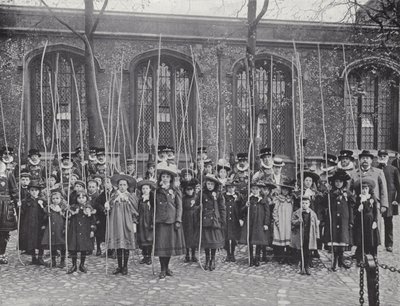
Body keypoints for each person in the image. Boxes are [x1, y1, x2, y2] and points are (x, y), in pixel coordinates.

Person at [154, 163, 186, 279]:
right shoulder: (156, 191)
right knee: (161, 247)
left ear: (171, 178)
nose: (165, 179)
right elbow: (153, 206)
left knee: (168, 247)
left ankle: (167, 267)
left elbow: (179, 206)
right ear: (160, 178)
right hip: (160, 221)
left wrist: (178, 219)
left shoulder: (175, 190)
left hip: (171, 221)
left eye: (167, 177)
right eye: (163, 176)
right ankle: (162, 268)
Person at [105, 174, 138, 275]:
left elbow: (135, 209)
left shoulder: (131, 196)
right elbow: (109, 207)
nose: (122, 187)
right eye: (120, 185)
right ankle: (119, 266)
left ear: (127, 186)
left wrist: (134, 221)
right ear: (117, 186)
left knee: (126, 245)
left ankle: (125, 266)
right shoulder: (114, 195)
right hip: (116, 222)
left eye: (124, 185)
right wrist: (108, 205)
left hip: (127, 221)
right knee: (119, 246)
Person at [323, 169, 354, 271]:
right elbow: (325, 206)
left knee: (342, 240)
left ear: (343, 183)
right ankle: (334, 261)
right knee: (334, 240)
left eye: (340, 182)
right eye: (336, 181)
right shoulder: (330, 194)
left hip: (344, 220)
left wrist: (351, 221)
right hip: (333, 220)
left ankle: (341, 260)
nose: (338, 183)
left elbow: (351, 208)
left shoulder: (348, 194)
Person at [240, 181, 271, 267]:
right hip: (250, 222)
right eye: (253, 189)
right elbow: (242, 211)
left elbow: (267, 212)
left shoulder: (263, 199)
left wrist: (266, 223)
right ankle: (250, 258)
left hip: (259, 222)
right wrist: (246, 206)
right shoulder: (248, 198)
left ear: (260, 189)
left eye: (256, 189)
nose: (254, 190)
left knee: (258, 241)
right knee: (250, 240)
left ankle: (257, 258)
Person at [198, 173, 226, 271]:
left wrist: (222, 220)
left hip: (214, 220)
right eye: (208, 184)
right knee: (206, 241)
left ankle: (213, 259)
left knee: (213, 241)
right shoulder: (202, 194)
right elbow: (197, 205)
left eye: (211, 184)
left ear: (215, 185)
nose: (209, 186)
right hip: (205, 220)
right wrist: (199, 208)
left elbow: (222, 208)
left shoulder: (219, 194)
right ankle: (207, 258)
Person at [67, 190, 96, 274]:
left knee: (84, 248)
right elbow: (67, 217)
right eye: (79, 197)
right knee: (74, 248)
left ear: (86, 198)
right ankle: (74, 265)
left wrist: (92, 230)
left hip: (85, 229)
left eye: (83, 197)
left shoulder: (89, 208)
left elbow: (92, 220)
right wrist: (71, 213)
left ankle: (82, 265)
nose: (81, 199)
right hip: (74, 229)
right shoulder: (73, 207)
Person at [376, 150, 400, 252]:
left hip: (390, 200)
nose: (382, 157)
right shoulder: (374, 169)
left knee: (388, 222)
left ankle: (389, 244)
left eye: (384, 155)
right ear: (377, 157)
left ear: (388, 157)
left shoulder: (393, 169)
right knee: (375, 221)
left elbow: (398, 186)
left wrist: (397, 200)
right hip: (377, 198)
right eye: (380, 156)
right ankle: (375, 242)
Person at [18, 181, 46, 265]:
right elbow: (22, 213)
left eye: (36, 190)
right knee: (31, 241)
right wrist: (19, 206)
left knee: (40, 240)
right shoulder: (25, 201)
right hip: (29, 224)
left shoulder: (42, 201)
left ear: (39, 191)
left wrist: (42, 206)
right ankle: (34, 258)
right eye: (32, 190)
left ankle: (40, 258)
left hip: (39, 224)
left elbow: (46, 212)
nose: (34, 192)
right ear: (29, 191)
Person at [353, 178, 380, 265]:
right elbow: (354, 211)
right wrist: (358, 209)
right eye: (362, 188)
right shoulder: (358, 198)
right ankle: (360, 257)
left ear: (369, 189)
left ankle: (373, 255)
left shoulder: (372, 198)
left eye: (366, 189)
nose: (364, 190)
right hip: (360, 221)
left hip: (370, 221)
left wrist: (375, 221)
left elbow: (375, 211)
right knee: (361, 238)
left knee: (371, 238)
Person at [291, 196, 320, 275]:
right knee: (301, 251)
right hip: (300, 236)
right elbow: (292, 222)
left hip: (309, 236)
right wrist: (298, 221)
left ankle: (307, 266)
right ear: (300, 203)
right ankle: (301, 267)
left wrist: (317, 235)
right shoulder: (297, 213)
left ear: (309, 204)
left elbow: (316, 226)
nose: (304, 205)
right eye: (303, 203)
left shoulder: (313, 214)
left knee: (308, 252)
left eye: (306, 203)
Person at [41, 191, 67, 268]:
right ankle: (53, 260)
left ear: (61, 199)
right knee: (52, 244)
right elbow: (44, 218)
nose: (55, 200)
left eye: (57, 198)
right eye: (53, 199)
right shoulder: (49, 208)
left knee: (62, 244)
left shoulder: (64, 207)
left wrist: (62, 213)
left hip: (60, 228)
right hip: (51, 228)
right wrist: (47, 215)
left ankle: (62, 260)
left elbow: (67, 218)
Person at [0, 158, 17, 264]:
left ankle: (2, 253)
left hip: (4, 206)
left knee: (4, 231)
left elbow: (14, 190)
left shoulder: (8, 173)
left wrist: (17, 203)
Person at [272, 179, 294, 264]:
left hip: (288, 222)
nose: (285, 191)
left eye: (287, 190)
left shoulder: (291, 200)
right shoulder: (277, 199)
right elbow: (275, 211)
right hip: (280, 222)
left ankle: (288, 258)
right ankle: (281, 257)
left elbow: (292, 211)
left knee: (288, 240)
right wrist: (277, 221)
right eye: (283, 189)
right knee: (280, 239)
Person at [223, 179, 243, 262]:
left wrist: (241, 218)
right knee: (227, 237)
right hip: (226, 219)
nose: (231, 189)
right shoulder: (224, 196)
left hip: (235, 219)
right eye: (229, 187)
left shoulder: (238, 197)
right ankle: (228, 254)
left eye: (233, 187)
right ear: (227, 188)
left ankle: (233, 254)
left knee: (233, 237)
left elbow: (241, 208)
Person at [137, 179, 155, 265]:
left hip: (149, 221)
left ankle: (149, 256)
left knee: (149, 238)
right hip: (141, 221)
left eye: (146, 188)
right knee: (142, 238)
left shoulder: (152, 199)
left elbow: (154, 210)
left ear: (150, 189)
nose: (145, 190)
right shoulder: (140, 199)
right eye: (143, 188)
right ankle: (144, 256)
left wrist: (152, 221)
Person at [181, 180, 199, 263]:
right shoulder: (183, 199)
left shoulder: (196, 197)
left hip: (195, 218)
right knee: (187, 236)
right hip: (186, 218)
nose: (189, 191)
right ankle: (187, 254)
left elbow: (199, 207)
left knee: (194, 236)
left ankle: (194, 254)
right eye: (188, 190)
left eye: (191, 189)